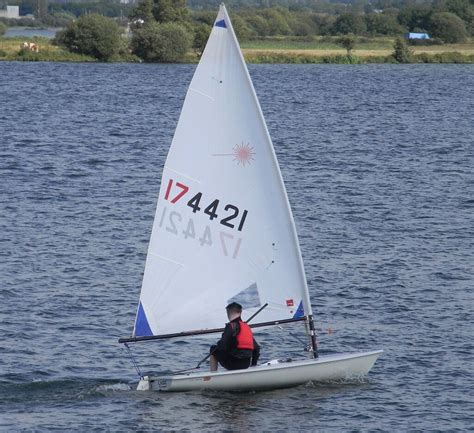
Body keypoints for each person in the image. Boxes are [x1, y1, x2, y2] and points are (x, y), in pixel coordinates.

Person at [209, 302, 260, 372]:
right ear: (240, 312)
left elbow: (222, 346)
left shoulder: (231, 326)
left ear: (227, 312)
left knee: (213, 348)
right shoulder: (246, 327)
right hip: (246, 364)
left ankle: (213, 374)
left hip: (233, 364)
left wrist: (219, 345)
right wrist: (253, 365)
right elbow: (256, 348)